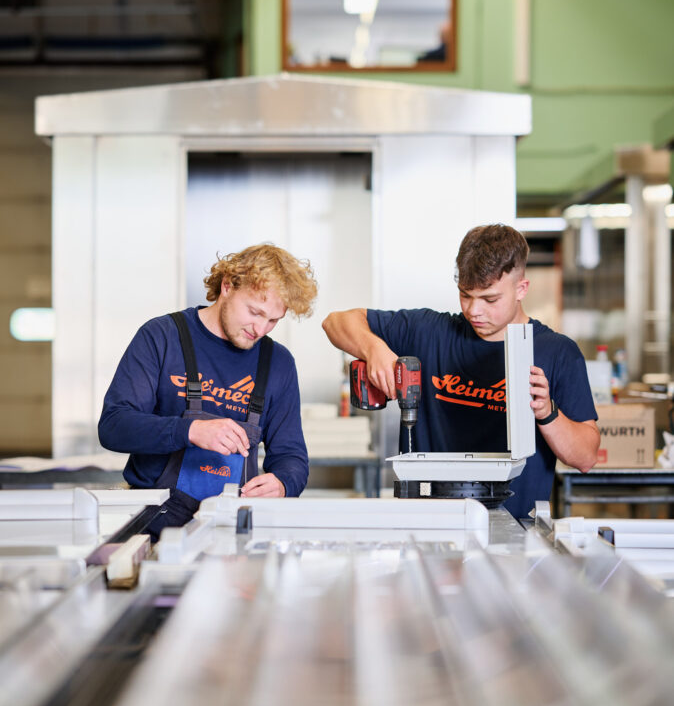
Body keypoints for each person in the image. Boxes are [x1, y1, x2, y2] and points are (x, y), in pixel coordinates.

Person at [322, 224, 599, 519]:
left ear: (521, 289)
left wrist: (547, 412)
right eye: (465, 295)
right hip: (427, 527)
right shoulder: (428, 332)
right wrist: (373, 349)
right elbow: (335, 322)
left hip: (515, 534)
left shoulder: (557, 353)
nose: (474, 311)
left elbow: (585, 457)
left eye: (490, 299)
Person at [99, 243, 318, 536]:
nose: (261, 329)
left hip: (234, 532)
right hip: (151, 530)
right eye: (255, 312)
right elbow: (114, 426)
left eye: (273, 320)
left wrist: (283, 483)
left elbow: (291, 454)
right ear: (227, 286)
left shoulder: (278, 363)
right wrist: (189, 431)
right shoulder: (162, 337)